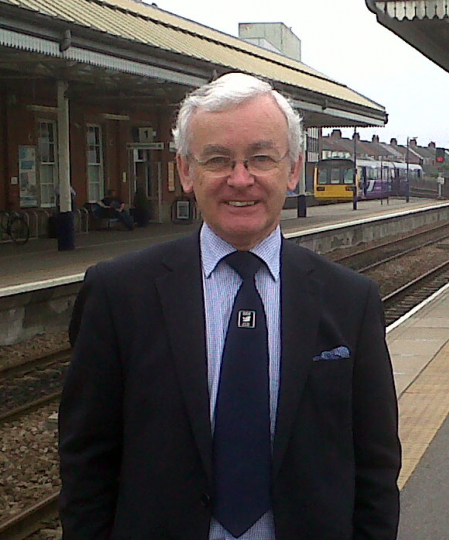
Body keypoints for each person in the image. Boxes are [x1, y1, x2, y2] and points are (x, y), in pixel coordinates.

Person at [59, 73, 401, 540]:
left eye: (261, 158)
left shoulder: (351, 300)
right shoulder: (118, 294)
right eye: (218, 160)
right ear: (185, 171)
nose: (241, 180)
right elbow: (86, 464)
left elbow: (376, 466)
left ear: (293, 169)